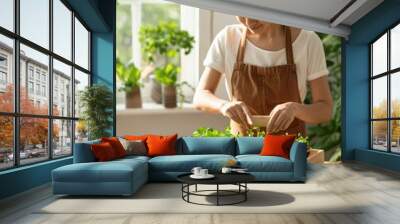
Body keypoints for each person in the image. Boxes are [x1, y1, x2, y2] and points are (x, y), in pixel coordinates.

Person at [193, 17, 333, 136]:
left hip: (289, 150)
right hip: (241, 150)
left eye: (254, 13)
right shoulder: (228, 37)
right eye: (240, 12)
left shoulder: (308, 41)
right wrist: (223, 105)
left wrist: (295, 109)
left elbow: (325, 110)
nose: (248, 21)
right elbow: (200, 96)